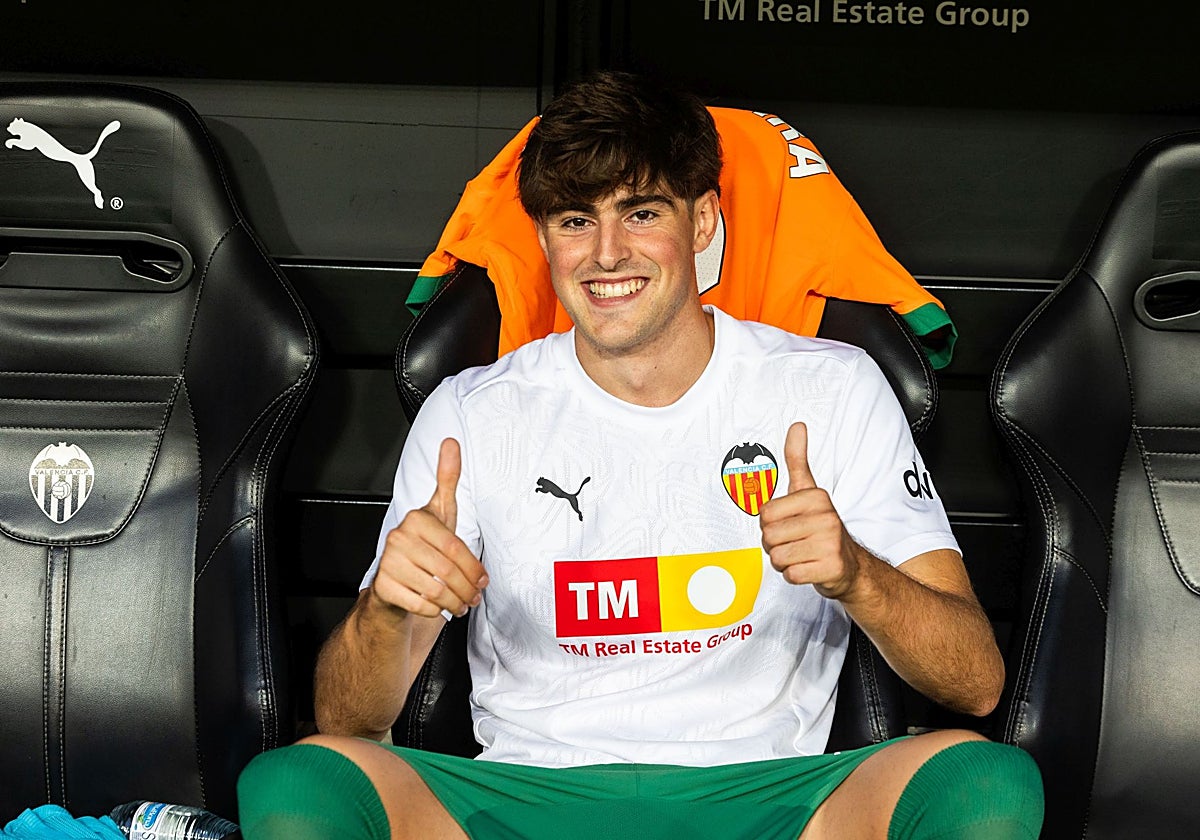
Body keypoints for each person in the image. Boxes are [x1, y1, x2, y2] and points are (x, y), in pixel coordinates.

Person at [237, 71, 1044, 839]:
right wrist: (387, 610)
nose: (607, 254)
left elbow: (974, 682)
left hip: (766, 798)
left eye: (641, 214)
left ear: (701, 224)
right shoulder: (470, 412)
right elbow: (353, 722)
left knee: (984, 783)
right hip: (526, 796)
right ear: (545, 238)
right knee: (297, 784)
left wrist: (856, 574)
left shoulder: (829, 387)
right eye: (575, 221)